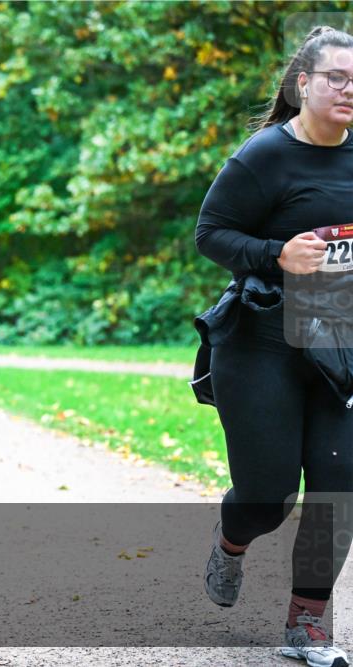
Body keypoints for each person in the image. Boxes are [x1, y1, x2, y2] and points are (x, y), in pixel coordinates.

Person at [195, 26, 353, 667]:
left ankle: (307, 624)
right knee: (267, 494)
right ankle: (233, 540)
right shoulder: (264, 156)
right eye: (337, 77)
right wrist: (276, 254)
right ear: (303, 85)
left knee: (341, 485)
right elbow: (211, 233)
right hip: (261, 346)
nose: (349, 89)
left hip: (338, 344)